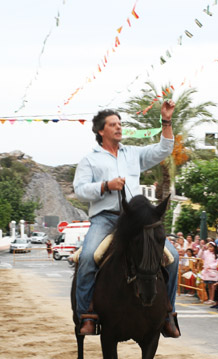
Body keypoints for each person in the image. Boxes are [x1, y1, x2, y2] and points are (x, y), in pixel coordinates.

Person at [72, 100, 180, 337]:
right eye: (113, 125)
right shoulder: (90, 160)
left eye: (120, 124)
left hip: (135, 221)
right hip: (105, 219)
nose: (119, 128)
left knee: (173, 258)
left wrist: (166, 120)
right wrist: (105, 185)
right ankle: (86, 315)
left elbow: (164, 149)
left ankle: (168, 315)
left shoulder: (133, 153)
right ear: (101, 131)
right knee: (89, 257)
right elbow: (79, 190)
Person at [199, 242, 218, 306]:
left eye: (211, 247)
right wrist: (202, 249)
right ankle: (210, 298)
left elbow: (217, 263)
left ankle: (212, 299)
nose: (210, 248)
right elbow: (200, 256)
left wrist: (210, 266)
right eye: (209, 247)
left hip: (213, 271)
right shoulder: (206, 252)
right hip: (207, 271)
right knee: (209, 286)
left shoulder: (217, 255)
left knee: (213, 286)